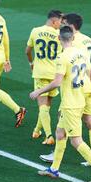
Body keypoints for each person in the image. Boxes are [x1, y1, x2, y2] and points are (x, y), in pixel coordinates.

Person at [30, 26, 91, 182]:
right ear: (72, 38)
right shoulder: (81, 53)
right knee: (60, 133)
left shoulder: (62, 57)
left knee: (76, 141)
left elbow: (57, 82)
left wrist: (39, 91)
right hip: (80, 100)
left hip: (70, 105)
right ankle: (54, 169)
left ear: (59, 39)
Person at [40, 13, 91, 167]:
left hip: (77, 87)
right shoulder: (88, 40)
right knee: (90, 122)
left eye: (64, 24)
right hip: (89, 85)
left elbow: (71, 67)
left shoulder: (73, 44)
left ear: (72, 27)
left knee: (68, 120)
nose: (62, 26)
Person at [25, 10, 63, 146]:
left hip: (40, 72)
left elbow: (27, 51)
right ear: (54, 21)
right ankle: (37, 130)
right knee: (47, 105)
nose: (61, 24)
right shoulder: (59, 35)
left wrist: (31, 63)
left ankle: (49, 135)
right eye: (60, 21)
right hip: (54, 74)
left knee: (42, 106)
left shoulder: (35, 31)